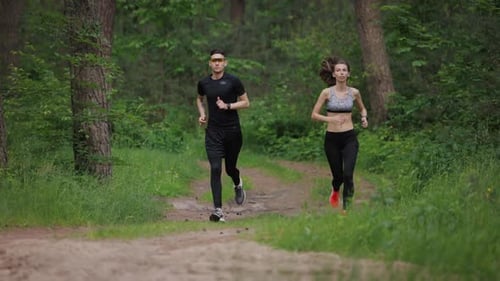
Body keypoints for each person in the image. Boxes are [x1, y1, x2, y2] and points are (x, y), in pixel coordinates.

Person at [196, 49, 250, 222]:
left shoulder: (233, 81)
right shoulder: (203, 82)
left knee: (229, 169)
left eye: (220, 60)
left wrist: (227, 106)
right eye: (214, 60)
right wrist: (202, 113)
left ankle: (237, 183)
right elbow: (199, 98)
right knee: (215, 168)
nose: (217, 63)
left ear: (225, 63)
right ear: (210, 63)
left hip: (232, 131)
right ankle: (218, 211)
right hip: (213, 132)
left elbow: (246, 102)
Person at [311, 56, 368, 212]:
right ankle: (335, 189)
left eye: (344, 70)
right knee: (338, 176)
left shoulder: (354, 93)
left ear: (348, 74)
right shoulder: (326, 93)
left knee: (348, 175)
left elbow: (362, 108)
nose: (341, 73)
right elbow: (314, 115)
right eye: (338, 70)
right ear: (334, 74)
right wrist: (331, 119)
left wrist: (364, 117)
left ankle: (346, 210)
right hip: (332, 140)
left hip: (349, 138)